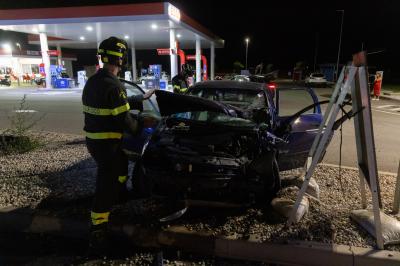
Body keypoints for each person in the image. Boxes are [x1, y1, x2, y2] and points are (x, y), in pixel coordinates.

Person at [82, 36, 154, 255]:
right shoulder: (114, 85)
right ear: (121, 58)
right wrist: (141, 126)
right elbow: (124, 120)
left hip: (95, 140)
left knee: (121, 165)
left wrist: (139, 100)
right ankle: (98, 229)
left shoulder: (94, 80)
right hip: (107, 142)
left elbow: (111, 103)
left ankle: (120, 193)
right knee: (105, 182)